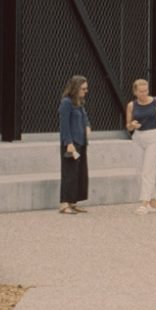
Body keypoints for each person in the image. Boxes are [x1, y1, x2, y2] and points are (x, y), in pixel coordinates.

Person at [123, 79, 156, 214]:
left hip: (153, 137)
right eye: (141, 91)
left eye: (146, 90)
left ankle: (144, 203)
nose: (144, 93)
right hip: (138, 137)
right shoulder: (131, 105)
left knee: (148, 170)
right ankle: (152, 201)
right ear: (135, 92)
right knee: (140, 171)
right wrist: (132, 125)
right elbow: (127, 125)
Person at [58, 76, 91, 215]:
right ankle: (64, 203)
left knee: (80, 174)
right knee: (69, 173)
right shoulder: (66, 103)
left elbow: (85, 118)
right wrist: (68, 143)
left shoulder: (79, 102)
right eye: (83, 88)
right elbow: (64, 125)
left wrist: (88, 126)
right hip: (72, 143)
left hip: (81, 142)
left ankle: (73, 202)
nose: (85, 91)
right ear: (76, 88)